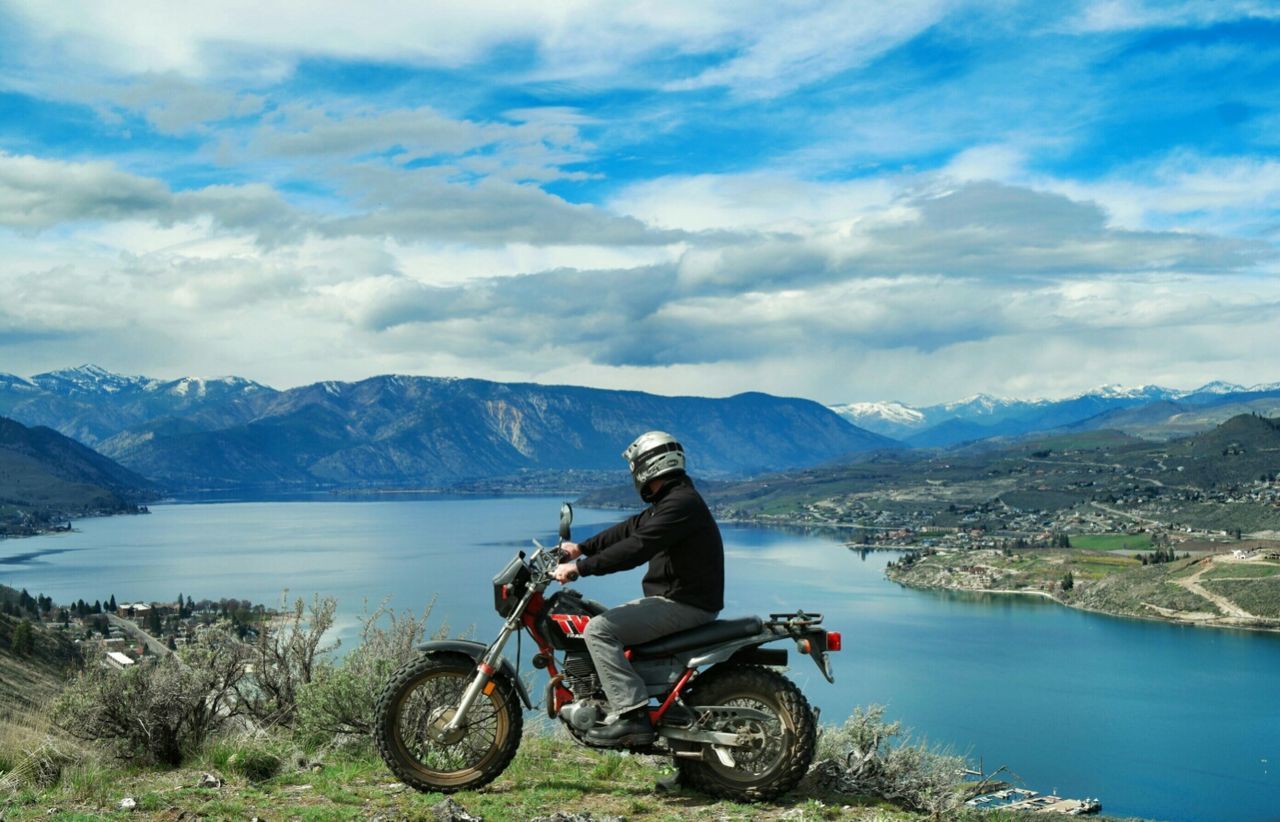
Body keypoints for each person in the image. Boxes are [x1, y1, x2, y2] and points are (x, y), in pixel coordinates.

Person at [553, 430, 724, 747]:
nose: (634, 477)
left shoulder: (680, 504)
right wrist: (581, 549)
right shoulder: (672, 501)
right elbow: (630, 529)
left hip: (684, 605)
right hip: (680, 600)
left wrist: (579, 569)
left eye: (635, 468)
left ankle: (632, 717)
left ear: (648, 467)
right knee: (602, 618)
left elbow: (637, 547)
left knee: (599, 630)